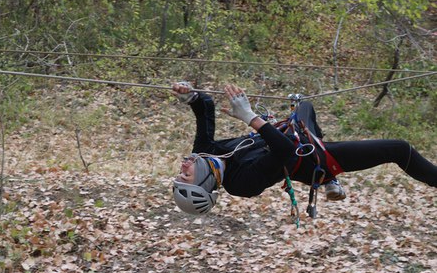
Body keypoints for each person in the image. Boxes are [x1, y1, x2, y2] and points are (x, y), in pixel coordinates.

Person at [171, 82, 437, 216]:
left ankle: (330, 180)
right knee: (399, 149)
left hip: (297, 136)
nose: (183, 166)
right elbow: (285, 153)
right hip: (316, 161)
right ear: (204, 184)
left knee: (305, 107)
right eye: (186, 175)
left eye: (182, 172)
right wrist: (251, 117)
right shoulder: (241, 184)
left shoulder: (204, 152)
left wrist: (189, 94)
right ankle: (329, 178)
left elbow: (205, 109)